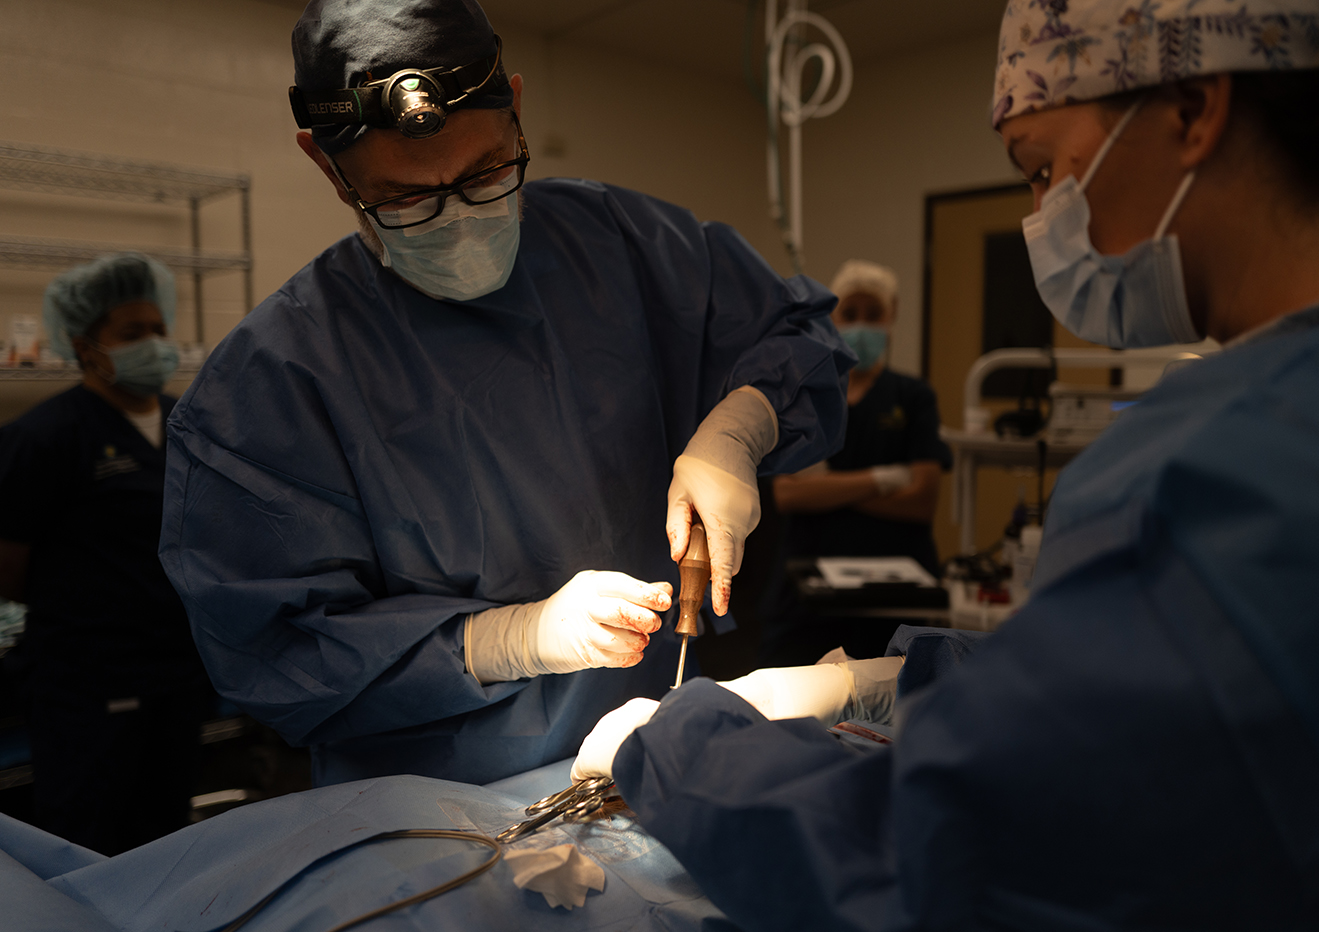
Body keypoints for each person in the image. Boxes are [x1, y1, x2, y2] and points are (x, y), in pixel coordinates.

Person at [571, 0, 1319, 927]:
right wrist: (874, 684)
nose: (1041, 215)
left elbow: (939, 863)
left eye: (1042, 168)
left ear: (1194, 107)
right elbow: (1137, 703)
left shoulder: (1216, 480)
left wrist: (683, 743)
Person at [158, 0, 852, 789]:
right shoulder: (267, 389)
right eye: (406, 199)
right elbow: (276, 657)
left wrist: (740, 428)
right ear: (325, 164)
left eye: (486, 173)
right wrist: (506, 639)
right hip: (427, 814)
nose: (457, 218)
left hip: (661, 766)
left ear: (516, 110)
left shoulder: (618, 245)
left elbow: (799, 339)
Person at [0, 254, 210, 855]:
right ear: (86, 346)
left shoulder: (188, 424)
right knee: (87, 840)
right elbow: (9, 567)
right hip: (87, 681)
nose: (152, 344)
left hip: (175, 670)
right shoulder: (46, 437)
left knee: (168, 834)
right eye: (131, 333)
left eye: (157, 329)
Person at [760, 260, 952, 663]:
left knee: (885, 713)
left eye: (873, 314)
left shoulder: (913, 397)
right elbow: (787, 496)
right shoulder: (805, 396)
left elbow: (921, 502)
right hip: (805, 596)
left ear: (891, 315)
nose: (861, 325)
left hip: (892, 603)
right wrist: (886, 478)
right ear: (832, 316)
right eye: (850, 314)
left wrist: (827, 490)